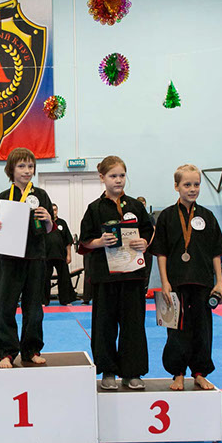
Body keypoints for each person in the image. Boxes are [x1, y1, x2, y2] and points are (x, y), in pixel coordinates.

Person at [78, 156, 154, 390]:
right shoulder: (94, 208)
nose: (118, 180)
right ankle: (108, 371)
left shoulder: (136, 207)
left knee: (133, 325)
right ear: (102, 177)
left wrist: (144, 242)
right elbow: (84, 241)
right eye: (113, 176)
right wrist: (99, 242)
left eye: (122, 175)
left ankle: (132, 372)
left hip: (132, 275)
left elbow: (149, 231)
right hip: (105, 277)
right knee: (105, 326)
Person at [149, 164, 222, 391]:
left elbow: (216, 253)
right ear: (176, 186)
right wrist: (164, 282)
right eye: (187, 185)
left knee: (203, 329)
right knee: (177, 329)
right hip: (176, 282)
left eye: (196, 184)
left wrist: (219, 282)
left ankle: (200, 373)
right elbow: (161, 253)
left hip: (203, 282)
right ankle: (178, 373)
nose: (192, 189)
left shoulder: (207, 216)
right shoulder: (166, 216)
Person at [0, 147, 54, 368]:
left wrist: (48, 219)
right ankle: (4, 352)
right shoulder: (2, 198)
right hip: (9, 258)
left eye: (30, 166)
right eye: (22, 166)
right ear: (11, 170)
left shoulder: (41, 195)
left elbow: (49, 229)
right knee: (3, 306)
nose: (27, 170)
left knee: (34, 307)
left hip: (35, 257)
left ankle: (31, 349)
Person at [43, 204, 76, 306]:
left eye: (55, 210)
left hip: (61, 255)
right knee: (44, 278)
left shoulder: (62, 223)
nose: (54, 212)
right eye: (52, 210)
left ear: (57, 211)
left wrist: (69, 255)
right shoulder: (44, 223)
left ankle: (65, 300)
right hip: (46, 255)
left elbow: (68, 241)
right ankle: (43, 301)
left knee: (64, 278)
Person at [135, 196, 156, 292]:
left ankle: (145, 291)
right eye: (140, 205)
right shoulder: (132, 217)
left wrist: (147, 244)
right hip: (135, 249)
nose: (142, 206)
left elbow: (153, 231)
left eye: (143, 204)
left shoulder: (149, 217)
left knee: (147, 271)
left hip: (147, 248)